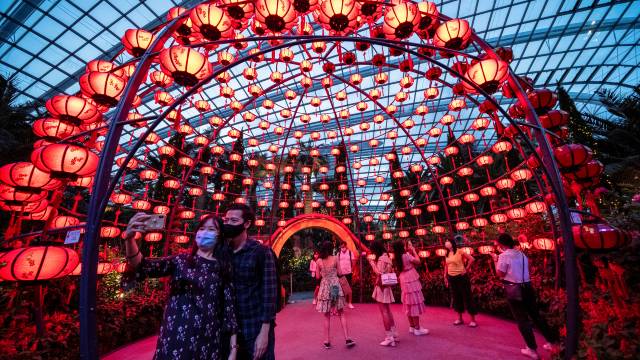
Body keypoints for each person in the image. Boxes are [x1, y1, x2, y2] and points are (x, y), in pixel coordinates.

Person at [121, 213, 238, 360]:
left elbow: (229, 310)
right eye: (202, 228)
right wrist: (129, 238)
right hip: (175, 340)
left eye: (211, 229)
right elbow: (142, 265)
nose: (205, 233)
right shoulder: (181, 261)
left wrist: (233, 349)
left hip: (207, 343)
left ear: (220, 236)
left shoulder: (223, 267)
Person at [491, 233, 558, 360]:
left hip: (514, 290)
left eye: (498, 244)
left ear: (501, 244)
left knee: (522, 320)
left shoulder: (503, 256)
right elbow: (529, 268)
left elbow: (500, 274)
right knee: (536, 316)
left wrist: (495, 260)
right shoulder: (521, 254)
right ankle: (552, 342)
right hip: (527, 287)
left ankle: (532, 350)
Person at [224, 204, 277, 360]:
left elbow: (269, 294)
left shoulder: (261, 252)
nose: (228, 224)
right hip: (229, 329)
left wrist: (264, 332)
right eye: (226, 220)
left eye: (234, 220)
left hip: (254, 326)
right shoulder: (222, 251)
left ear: (246, 224)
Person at [315, 240, 356, 349]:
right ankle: (347, 338)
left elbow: (317, 277)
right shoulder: (335, 258)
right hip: (335, 287)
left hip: (325, 287)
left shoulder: (318, 261)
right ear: (331, 249)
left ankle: (327, 341)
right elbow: (340, 273)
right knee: (341, 312)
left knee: (327, 315)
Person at [391, 240, 429, 336]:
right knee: (414, 302)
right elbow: (418, 261)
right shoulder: (406, 255)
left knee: (408, 303)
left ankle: (412, 326)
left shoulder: (397, 257)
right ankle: (417, 328)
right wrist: (414, 250)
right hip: (410, 277)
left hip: (403, 277)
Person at [367, 240, 398, 347]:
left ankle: (389, 337)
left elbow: (378, 272)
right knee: (388, 311)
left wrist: (371, 263)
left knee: (384, 311)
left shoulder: (381, 259)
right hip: (387, 286)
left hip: (381, 287)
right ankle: (394, 334)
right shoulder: (387, 257)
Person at [444, 235, 478, 327]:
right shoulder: (447, 253)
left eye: (448, 241)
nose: (446, 243)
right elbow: (446, 265)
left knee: (467, 297)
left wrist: (466, 269)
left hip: (461, 277)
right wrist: (445, 276)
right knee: (456, 297)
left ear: (452, 243)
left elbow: (471, 259)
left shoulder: (460, 251)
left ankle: (473, 320)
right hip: (451, 278)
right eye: (446, 241)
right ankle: (460, 318)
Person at [336, 240, 357, 309]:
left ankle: (350, 303)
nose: (343, 248)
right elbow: (336, 264)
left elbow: (353, 262)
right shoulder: (338, 254)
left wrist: (352, 271)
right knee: (342, 289)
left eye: (344, 246)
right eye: (341, 247)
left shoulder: (350, 253)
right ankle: (343, 303)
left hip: (348, 273)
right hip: (341, 274)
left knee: (349, 289)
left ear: (346, 246)